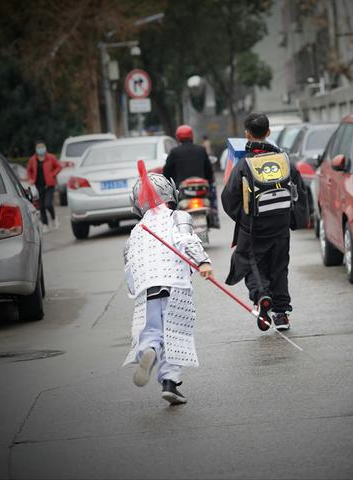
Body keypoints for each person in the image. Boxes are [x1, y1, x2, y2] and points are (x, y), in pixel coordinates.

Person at [123, 165, 213, 405]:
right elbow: (187, 239)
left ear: (136, 203)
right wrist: (203, 262)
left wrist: (134, 292)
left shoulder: (136, 231)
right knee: (176, 334)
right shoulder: (178, 217)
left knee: (151, 331)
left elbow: (129, 266)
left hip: (147, 290)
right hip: (175, 286)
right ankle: (170, 382)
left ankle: (148, 352)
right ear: (171, 193)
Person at [221, 112, 308, 332]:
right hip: (280, 225)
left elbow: (229, 198)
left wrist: (243, 219)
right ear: (268, 133)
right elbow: (299, 192)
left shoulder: (243, 164)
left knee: (250, 263)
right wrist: (293, 220)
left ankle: (262, 296)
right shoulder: (285, 160)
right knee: (280, 267)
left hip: (254, 227)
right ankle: (281, 315)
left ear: (247, 134)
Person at [164, 125, 219, 228]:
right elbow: (209, 170)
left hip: (182, 189)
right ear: (191, 136)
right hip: (201, 188)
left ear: (178, 137)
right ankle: (214, 218)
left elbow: (167, 171)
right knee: (212, 195)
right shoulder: (201, 150)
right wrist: (210, 181)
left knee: (171, 205)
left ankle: (172, 225)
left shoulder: (174, 152)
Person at [27, 140, 62, 233]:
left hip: (49, 185)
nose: (40, 149)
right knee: (41, 206)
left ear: (45, 148)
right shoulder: (33, 159)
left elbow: (59, 167)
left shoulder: (51, 157)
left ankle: (54, 218)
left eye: (42, 147)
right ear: (36, 149)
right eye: (39, 147)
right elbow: (29, 170)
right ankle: (45, 224)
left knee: (48, 204)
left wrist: (53, 174)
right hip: (38, 185)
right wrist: (30, 179)